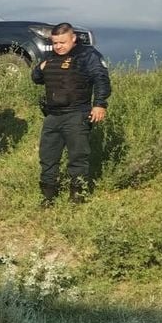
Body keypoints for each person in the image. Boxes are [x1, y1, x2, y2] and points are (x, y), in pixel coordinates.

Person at [31, 23, 111, 206]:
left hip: (76, 114)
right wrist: (39, 68)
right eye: (55, 43)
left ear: (73, 38)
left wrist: (99, 104)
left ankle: (77, 196)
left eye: (62, 42)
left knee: (77, 157)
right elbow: (36, 78)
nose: (58, 46)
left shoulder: (86, 55)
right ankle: (48, 196)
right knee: (48, 157)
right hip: (52, 116)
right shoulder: (50, 56)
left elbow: (101, 79)